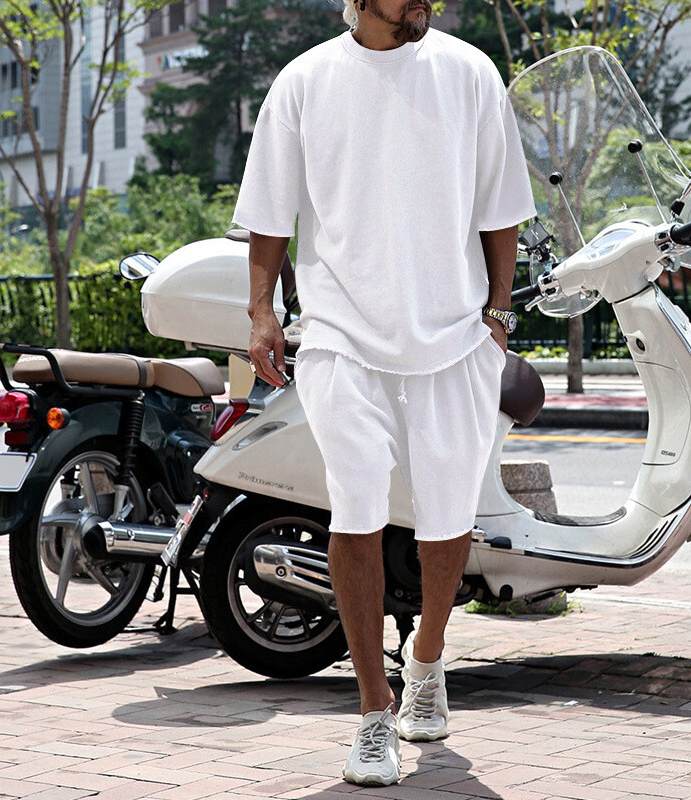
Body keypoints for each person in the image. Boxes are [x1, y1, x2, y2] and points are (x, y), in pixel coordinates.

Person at [233, 0, 535, 786]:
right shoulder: (305, 82)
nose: (421, 2)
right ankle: (373, 712)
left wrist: (498, 313)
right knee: (357, 504)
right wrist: (262, 312)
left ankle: (426, 658)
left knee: (447, 520)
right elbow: (269, 214)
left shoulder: (470, 72)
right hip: (341, 334)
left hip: (455, 336)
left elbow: (501, 207)